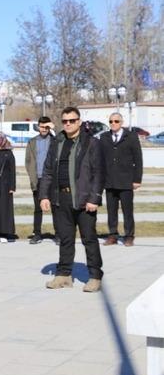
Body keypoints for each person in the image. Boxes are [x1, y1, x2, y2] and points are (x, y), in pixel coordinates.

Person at [39, 106, 104, 293]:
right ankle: (63, 275)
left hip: (84, 200)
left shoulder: (91, 143)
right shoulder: (57, 142)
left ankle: (94, 276)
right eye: (65, 121)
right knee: (65, 239)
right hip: (61, 199)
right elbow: (48, 171)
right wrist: (44, 195)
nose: (68, 124)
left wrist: (94, 198)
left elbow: (99, 173)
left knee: (89, 239)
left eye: (72, 121)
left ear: (79, 121)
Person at [100, 112, 142, 247]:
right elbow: (100, 159)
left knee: (127, 211)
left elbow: (138, 160)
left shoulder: (131, 137)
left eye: (116, 121)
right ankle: (112, 235)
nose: (113, 124)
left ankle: (129, 236)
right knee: (111, 211)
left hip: (126, 181)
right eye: (111, 121)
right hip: (110, 181)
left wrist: (137, 179)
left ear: (121, 122)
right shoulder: (104, 137)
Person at [24, 117, 54, 244]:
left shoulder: (55, 140)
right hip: (38, 179)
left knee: (56, 208)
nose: (44, 129)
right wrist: (33, 178)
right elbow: (28, 161)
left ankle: (59, 234)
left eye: (46, 127)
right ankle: (37, 233)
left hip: (52, 179)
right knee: (38, 208)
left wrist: (53, 129)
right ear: (38, 127)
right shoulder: (32, 142)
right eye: (42, 127)